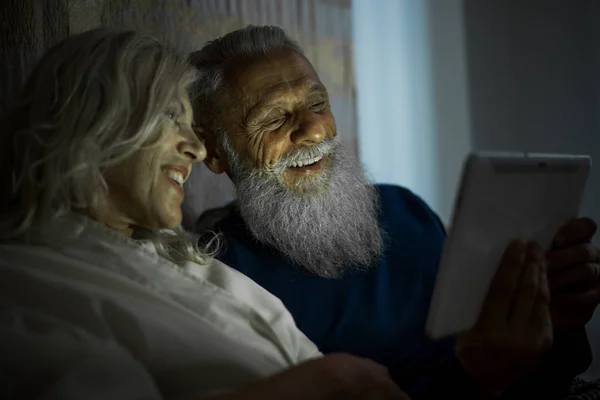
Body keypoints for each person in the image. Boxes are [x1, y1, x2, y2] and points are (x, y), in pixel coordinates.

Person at [189, 25, 600, 399]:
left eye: (317, 102)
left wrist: (554, 320)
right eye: (275, 118)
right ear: (213, 151)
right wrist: (477, 376)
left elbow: (543, 377)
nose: (315, 130)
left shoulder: (404, 209)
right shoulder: (224, 278)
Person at [0, 27, 412, 400]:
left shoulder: (197, 264)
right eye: (168, 117)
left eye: (318, 103)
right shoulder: (23, 281)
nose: (193, 150)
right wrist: (329, 379)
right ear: (89, 125)